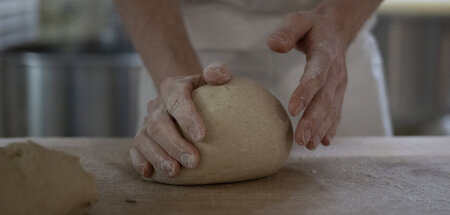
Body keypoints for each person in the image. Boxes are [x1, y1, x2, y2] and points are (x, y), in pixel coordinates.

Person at [114, 0, 392, 178]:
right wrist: (174, 74)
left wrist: (339, 22)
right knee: (178, 157)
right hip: (178, 46)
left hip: (329, 49)